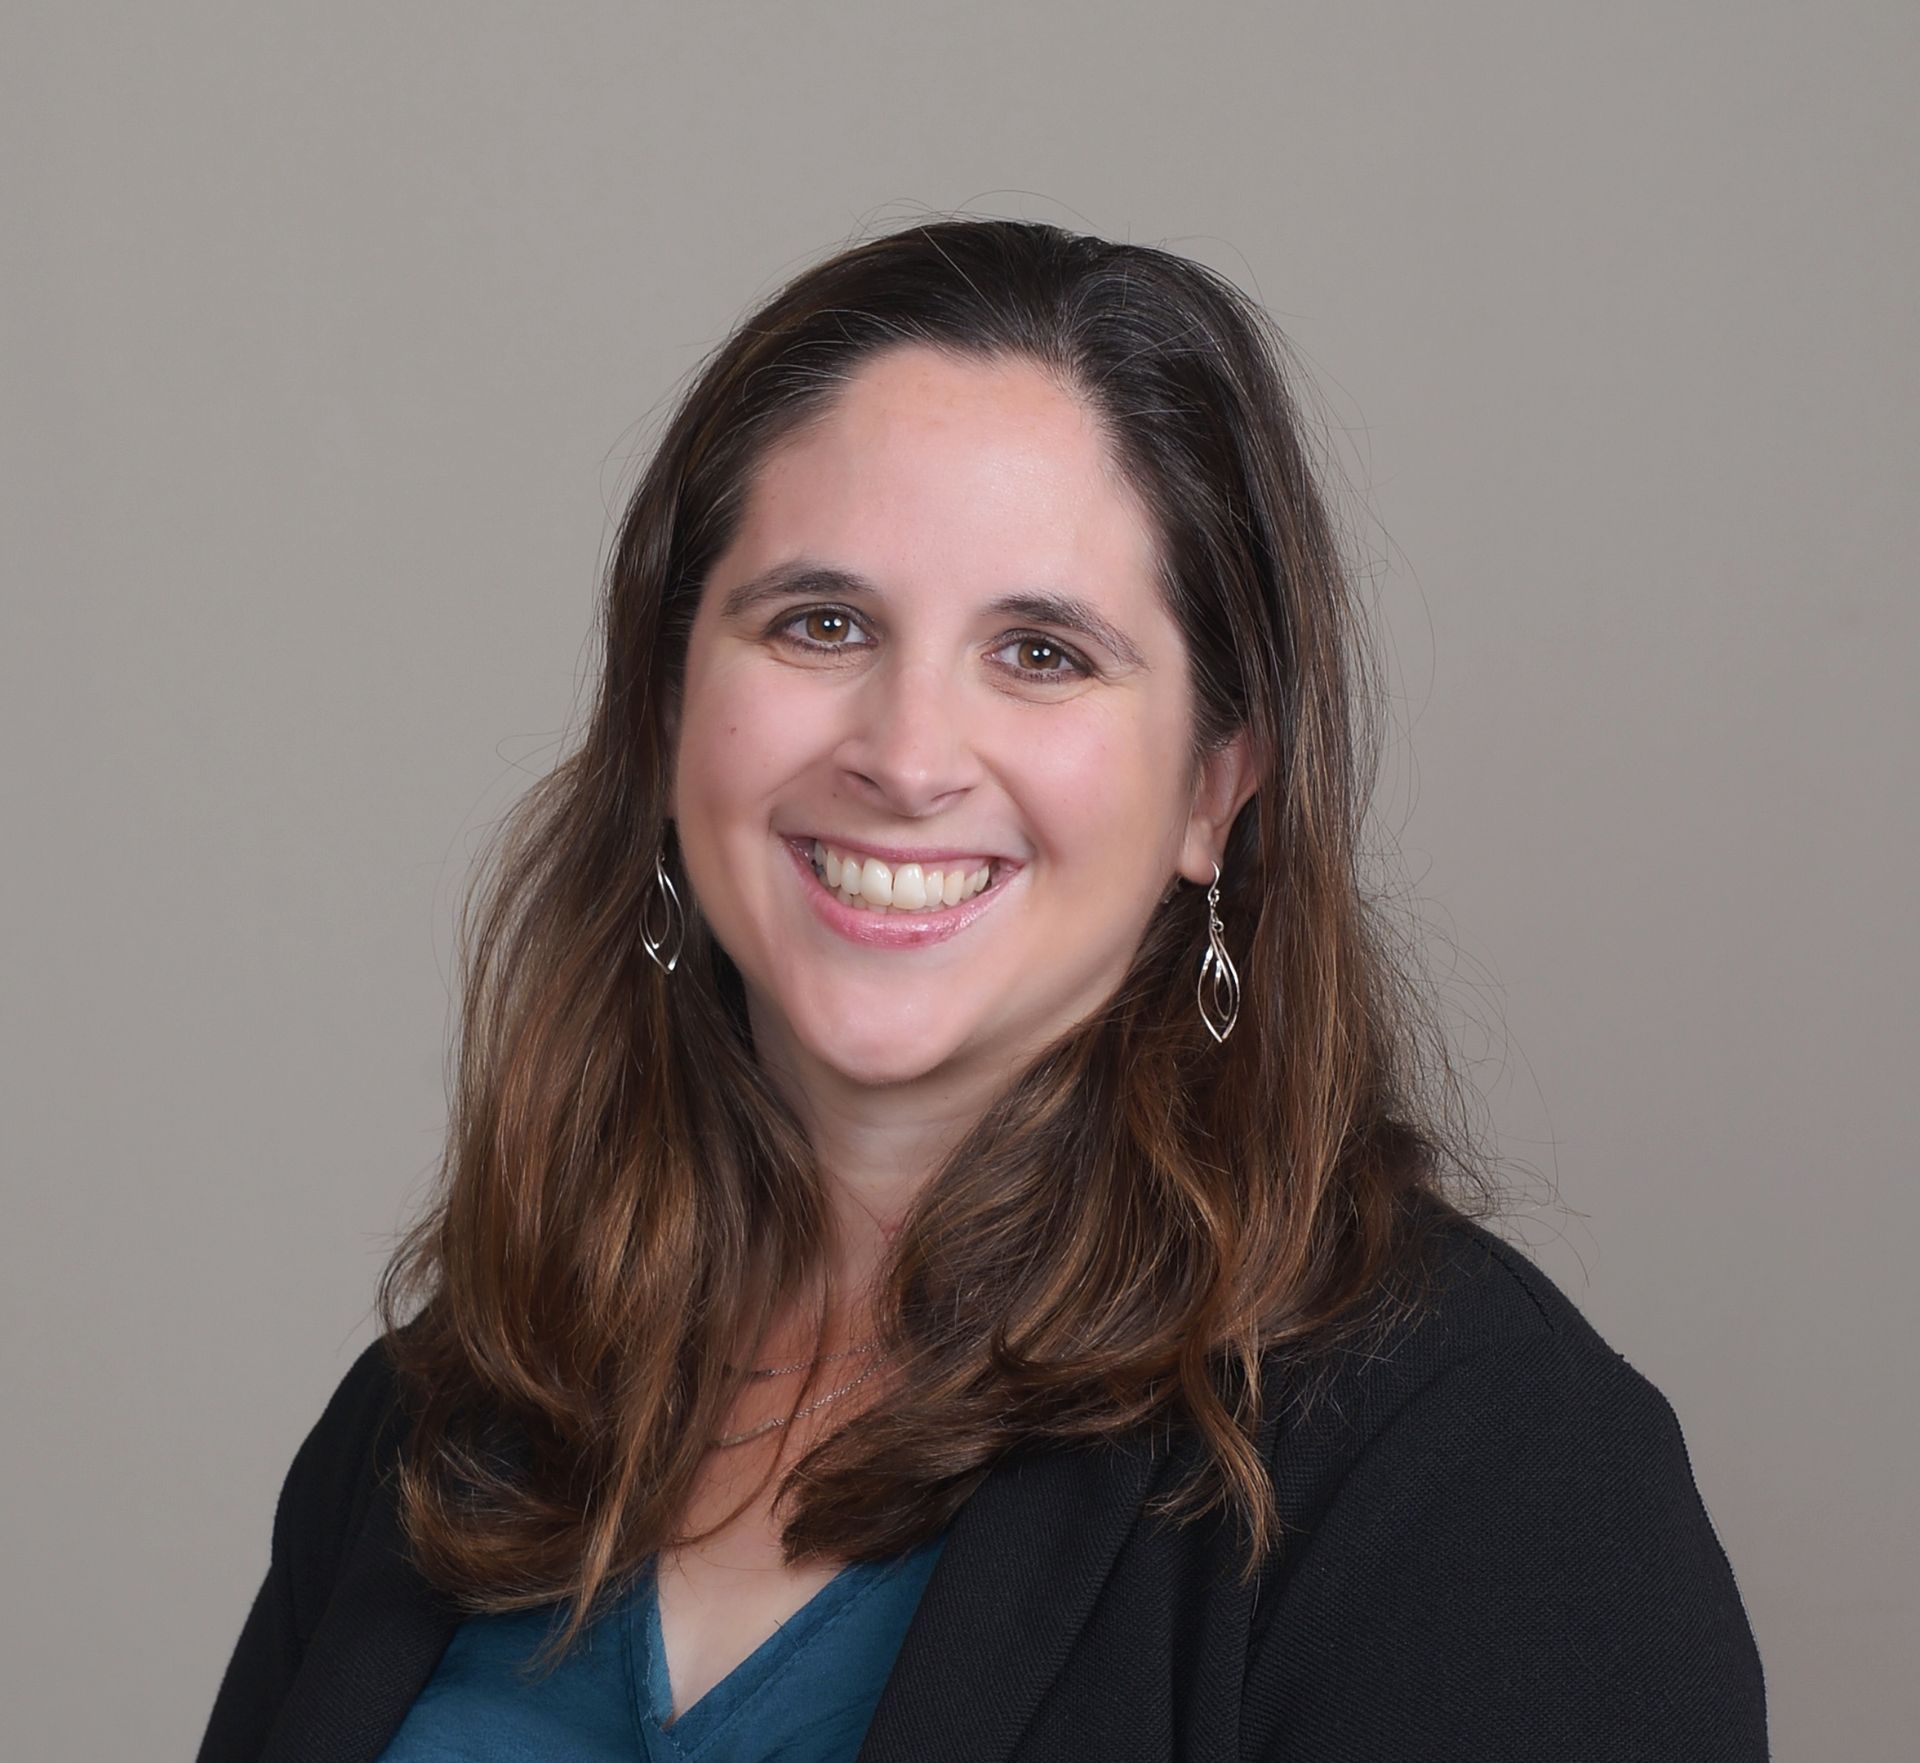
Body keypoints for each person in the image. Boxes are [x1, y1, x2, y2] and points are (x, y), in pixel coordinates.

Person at [196, 217, 1769, 1763]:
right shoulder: (449, 1408)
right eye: (821, 623)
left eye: (1042, 653)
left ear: (1215, 787)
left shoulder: (1482, 1470)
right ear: (672, 705)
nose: (905, 754)